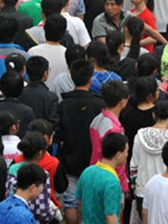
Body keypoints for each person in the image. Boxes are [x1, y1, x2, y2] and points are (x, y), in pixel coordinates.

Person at [56, 59, 105, 224]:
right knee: (91, 202)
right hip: (94, 161)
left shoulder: (64, 104)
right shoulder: (100, 104)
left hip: (70, 159)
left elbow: (59, 133)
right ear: (91, 78)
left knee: (70, 201)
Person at [75, 132, 127, 224]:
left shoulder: (87, 171)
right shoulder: (112, 181)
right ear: (118, 155)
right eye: (126, 151)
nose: (127, 155)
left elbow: (79, 201)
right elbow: (110, 216)